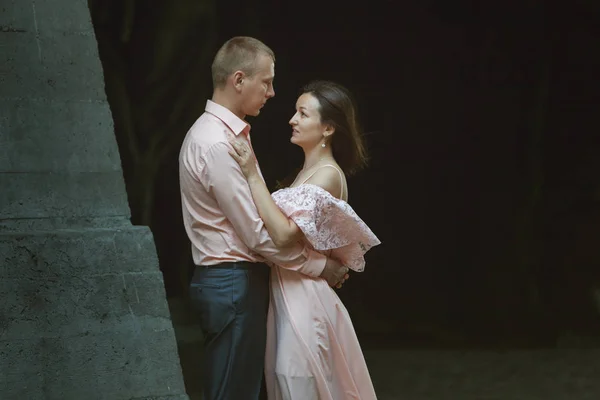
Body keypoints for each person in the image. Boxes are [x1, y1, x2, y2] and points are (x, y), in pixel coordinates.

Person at [178, 37, 349, 400]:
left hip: (237, 282)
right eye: (266, 82)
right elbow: (256, 234)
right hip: (232, 282)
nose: (272, 93)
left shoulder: (229, 135)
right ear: (239, 80)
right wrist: (322, 267)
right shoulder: (217, 143)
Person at [229, 80, 381, 399]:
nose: (292, 120)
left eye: (302, 113)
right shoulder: (306, 173)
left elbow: (283, 236)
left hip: (304, 299)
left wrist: (251, 173)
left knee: (296, 382)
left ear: (327, 128)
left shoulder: (327, 174)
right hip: (290, 292)